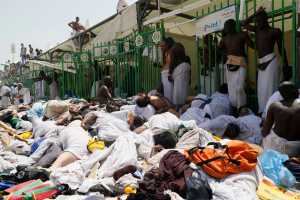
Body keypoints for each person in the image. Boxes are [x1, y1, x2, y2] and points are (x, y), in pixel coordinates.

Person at [243, 8, 289, 114]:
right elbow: (244, 24)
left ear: (266, 19)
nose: (258, 23)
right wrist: (255, 13)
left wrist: (286, 65)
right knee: (261, 91)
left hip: (271, 62)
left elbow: (282, 49)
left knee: (270, 89)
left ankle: (271, 113)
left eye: (260, 20)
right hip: (261, 63)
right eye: (257, 21)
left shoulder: (275, 31)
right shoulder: (257, 30)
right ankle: (263, 114)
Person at [219, 19, 254, 110]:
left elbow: (253, 45)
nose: (226, 28)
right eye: (225, 27)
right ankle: (234, 108)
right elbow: (220, 49)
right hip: (230, 63)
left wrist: (248, 36)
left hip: (241, 63)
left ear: (232, 26)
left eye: (227, 26)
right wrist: (225, 55)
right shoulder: (224, 39)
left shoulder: (241, 35)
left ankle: (242, 108)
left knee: (240, 87)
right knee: (231, 88)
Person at [262, 82, 300, 156]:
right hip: (297, 147)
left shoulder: (274, 105)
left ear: (281, 95)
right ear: (296, 92)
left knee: (266, 139)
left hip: (277, 147)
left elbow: (265, 132)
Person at [168, 43, 191, 109]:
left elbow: (173, 77)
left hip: (180, 98)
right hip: (179, 97)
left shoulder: (183, 66)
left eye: (171, 54)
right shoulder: (183, 65)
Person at [159, 37, 175, 102]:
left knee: (170, 97)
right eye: (160, 46)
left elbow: (171, 66)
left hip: (169, 79)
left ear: (168, 45)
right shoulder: (166, 53)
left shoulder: (172, 53)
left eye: (163, 46)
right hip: (165, 79)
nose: (161, 47)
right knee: (167, 96)